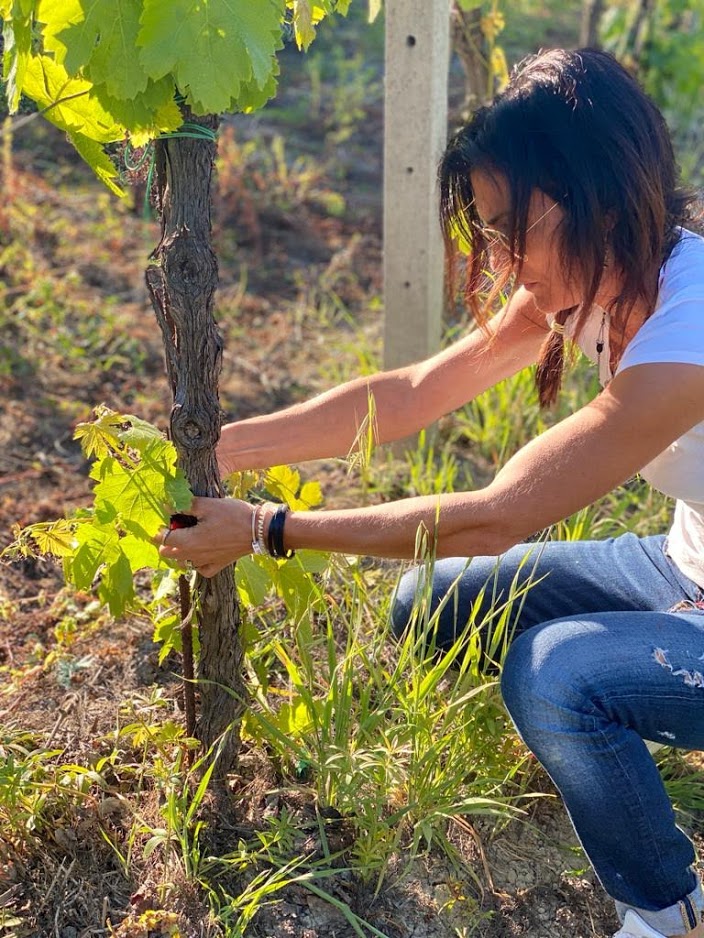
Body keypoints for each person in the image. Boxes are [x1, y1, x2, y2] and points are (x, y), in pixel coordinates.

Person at [159, 48, 704, 938]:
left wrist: (266, 530)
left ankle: (665, 908)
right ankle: (622, 721)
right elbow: (410, 394)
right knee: (428, 605)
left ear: (588, 194)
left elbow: (499, 515)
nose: (497, 257)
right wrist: (213, 447)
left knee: (556, 673)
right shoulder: (597, 275)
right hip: (682, 570)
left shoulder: (689, 333)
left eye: (505, 228)